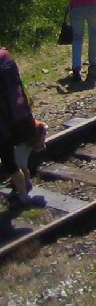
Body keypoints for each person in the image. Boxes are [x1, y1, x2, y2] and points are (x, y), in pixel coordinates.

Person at [0, 48, 46, 208]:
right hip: (19, 116)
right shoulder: (5, 57)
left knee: (9, 161)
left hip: (4, 123)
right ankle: (25, 185)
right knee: (14, 158)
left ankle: (24, 195)